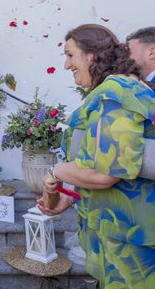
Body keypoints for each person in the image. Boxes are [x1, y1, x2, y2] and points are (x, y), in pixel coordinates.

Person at [37, 24, 155, 288]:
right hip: (121, 232)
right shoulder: (121, 88)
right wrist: (71, 193)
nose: (66, 65)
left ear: (91, 54)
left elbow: (105, 175)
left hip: (130, 241)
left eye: (70, 55)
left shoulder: (114, 91)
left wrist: (57, 171)